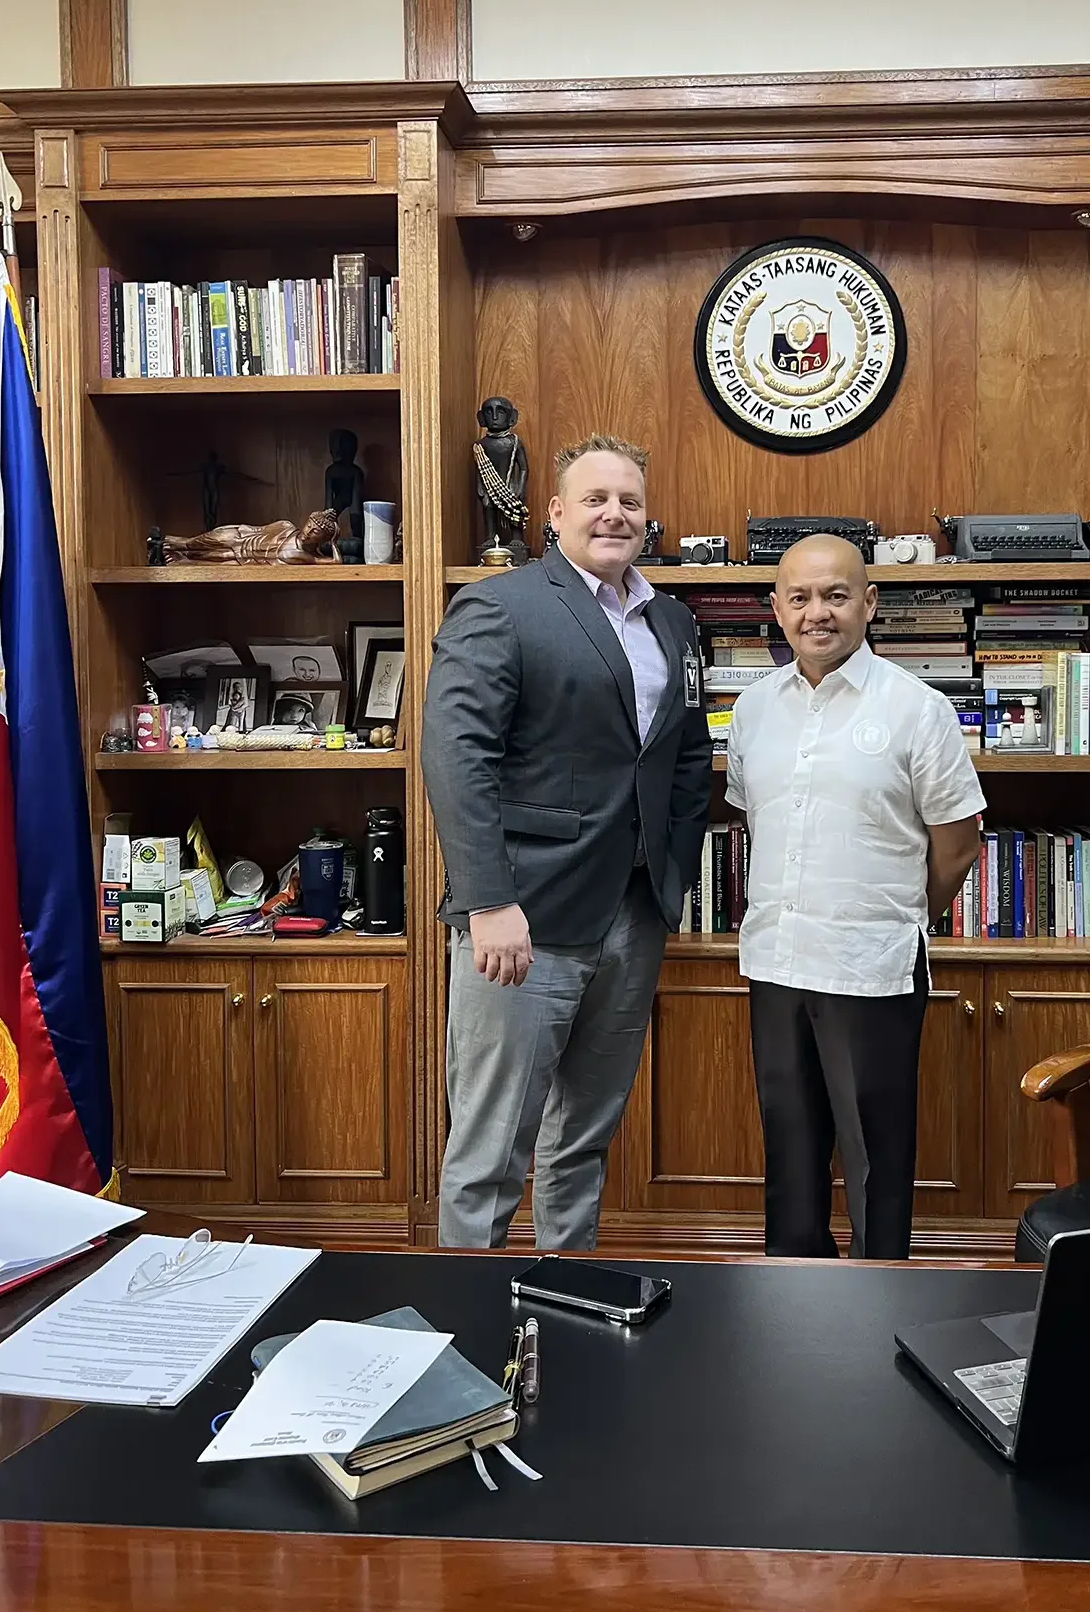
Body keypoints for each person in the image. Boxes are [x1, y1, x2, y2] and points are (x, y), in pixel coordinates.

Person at [422, 434, 712, 1250]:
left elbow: (687, 756)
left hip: (634, 914)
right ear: (555, 513)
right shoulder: (501, 605)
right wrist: (488, 899)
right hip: (524, 916)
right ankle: (468, 1337)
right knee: (490, 1152)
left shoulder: (675, 621)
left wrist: (675, 873)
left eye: (629, 500)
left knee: (582, 1139)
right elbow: (455, 757)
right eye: (595, 498)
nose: (614, 513)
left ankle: (564, 1304)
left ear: (647, 518)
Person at [725, 535, 984, 1262]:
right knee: (791, 1163)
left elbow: (958, 844)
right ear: (776, 609)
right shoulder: (752, 710)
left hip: (871, 969)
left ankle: (875, 1312)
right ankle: (795, 1312)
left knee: (876, 1165)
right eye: (800, 597)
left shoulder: (917, 709)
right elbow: (755, 817)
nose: (818, 613)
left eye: (836, 595)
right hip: (776, 965)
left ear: (869, 603)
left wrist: (896, 913)